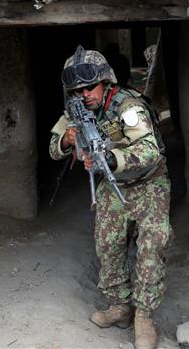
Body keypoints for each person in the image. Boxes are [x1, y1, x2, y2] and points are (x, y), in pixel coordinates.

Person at [48, 46, 171, 349]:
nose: (84, 94)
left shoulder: (128, 106)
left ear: (106, 82)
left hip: (148, 184)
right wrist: (68, 139)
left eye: (90, 87)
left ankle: (144, 316)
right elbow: (53, 149)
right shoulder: (76, 110)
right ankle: (120, 308)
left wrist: (112, 159)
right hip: (112, 187)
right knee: (109, 246)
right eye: (77, 90)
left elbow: (149, 150)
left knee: (151, 248)